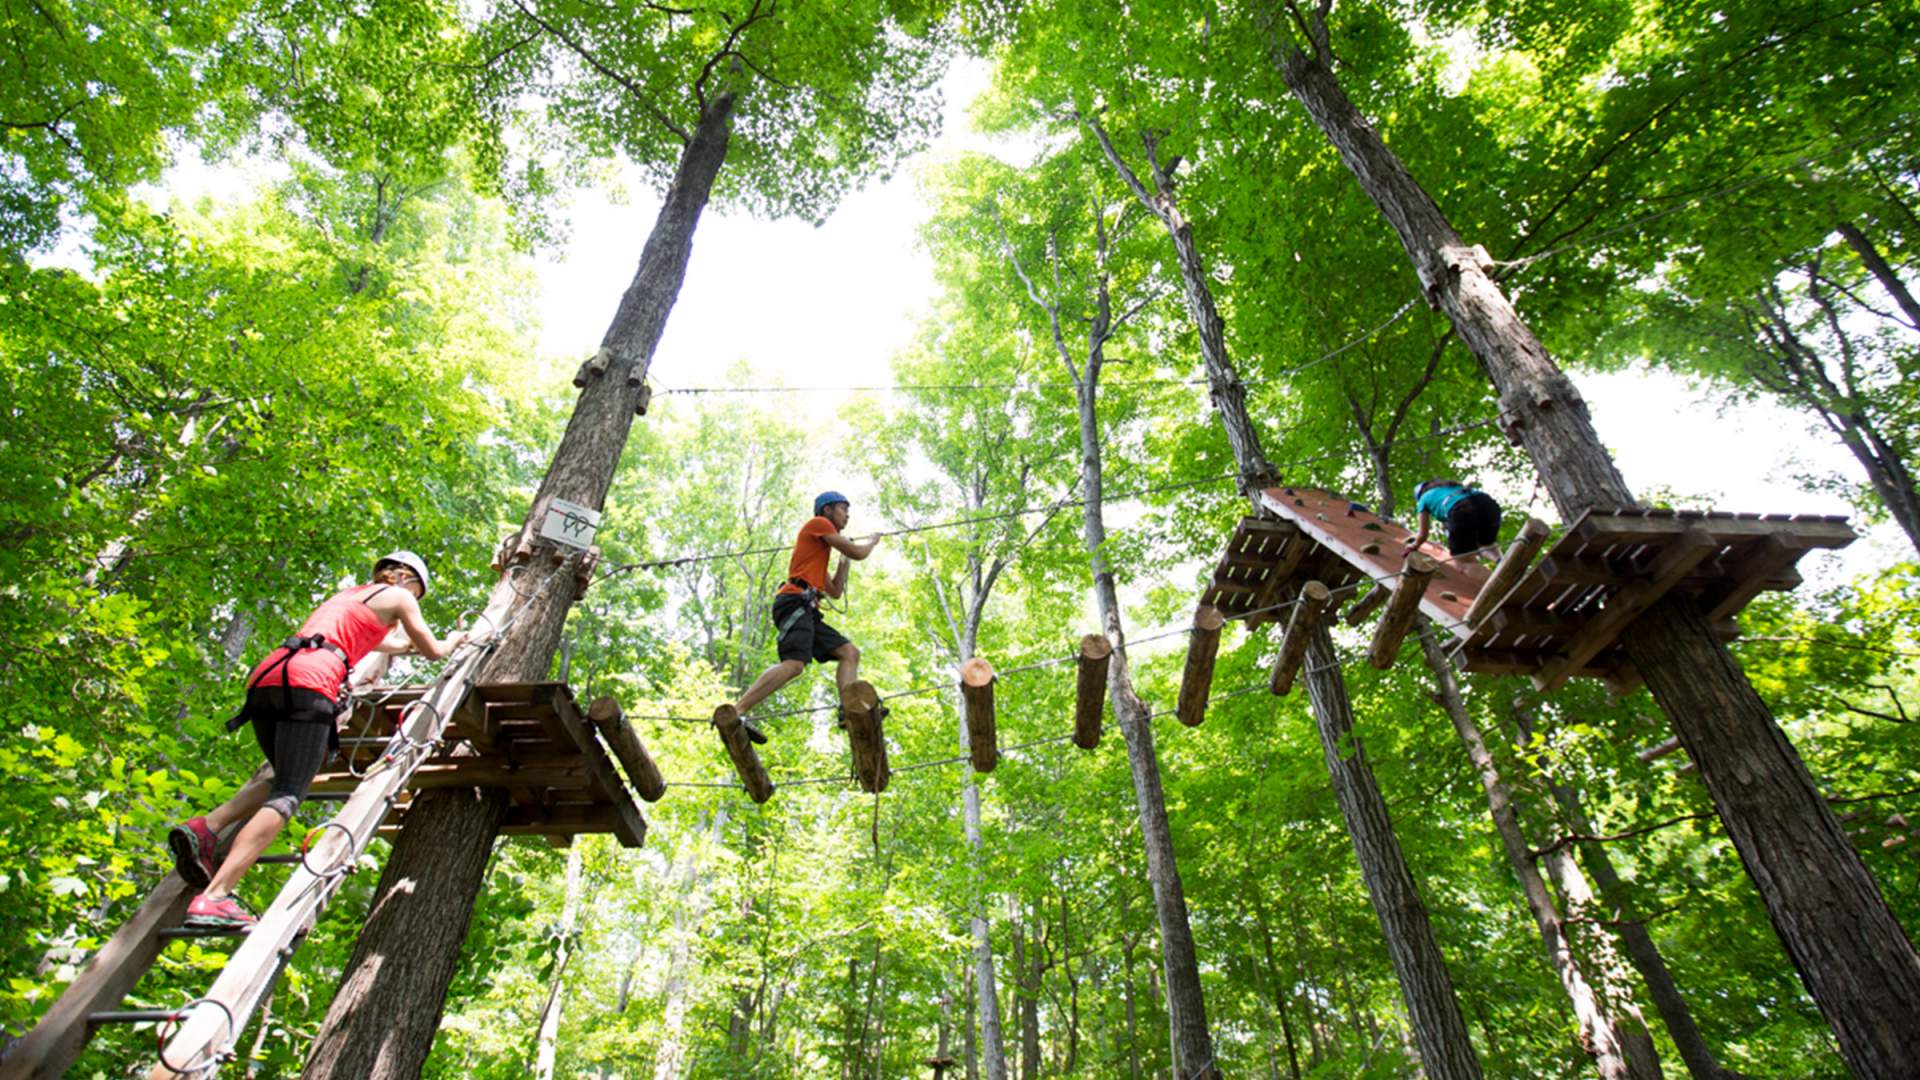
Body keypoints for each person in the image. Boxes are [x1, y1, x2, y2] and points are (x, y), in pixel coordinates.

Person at [166, 551, 468, 928]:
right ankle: (215, 897)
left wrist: (403, 646)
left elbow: (378, 644)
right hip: (310, 684)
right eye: (418, 593)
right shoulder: (402, 597)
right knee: (290, 793)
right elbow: (433, 649)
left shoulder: (349, 597)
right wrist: (453, 640)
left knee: (284, 774)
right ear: (408, 579)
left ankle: (206, 827)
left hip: (271, 677)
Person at [728, 491, 878, 743]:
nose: (847, 515)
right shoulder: (818, 524)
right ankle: (737, 710)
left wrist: (843, 562)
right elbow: (859, 551)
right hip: (794, 601)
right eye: (843, 509)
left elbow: (835, 591)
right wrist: (872, 541)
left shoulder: (819, 552)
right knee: (794, 665)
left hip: (807, 608)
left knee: (849, 653)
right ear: (827, 510)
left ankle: (848, 710)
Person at [1404, 479, 1504, 563]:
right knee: (1486, 544)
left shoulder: (1424, 498)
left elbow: (1422, 535)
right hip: (1488, 505)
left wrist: (1414, 545)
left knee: (1464, 562)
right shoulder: (1452, 488)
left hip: (1462, 509)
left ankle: (1502, 585)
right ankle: (1501, 561)